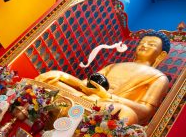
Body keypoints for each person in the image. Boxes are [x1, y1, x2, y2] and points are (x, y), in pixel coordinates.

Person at [35, 31, 170, 125]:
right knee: (50, 77)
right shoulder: (115, 65)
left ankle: (67, 109)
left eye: (151, 44)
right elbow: (85, 85)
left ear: (161, 55)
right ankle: (72, 107)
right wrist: (63, 76)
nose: (144, 46)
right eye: (142, 43)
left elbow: (146, 111)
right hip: (84, 98)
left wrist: (108, 96)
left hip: (106, 107)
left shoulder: (158, 77)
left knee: (127, 115)